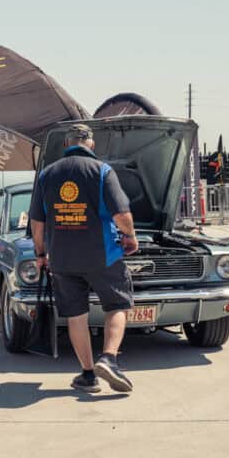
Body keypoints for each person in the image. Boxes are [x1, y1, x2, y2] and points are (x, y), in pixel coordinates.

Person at [29, 123, 138, 394]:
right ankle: (109, 359)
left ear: (66, 145)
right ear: (91, 144)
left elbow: (37, 222)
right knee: (117, 305)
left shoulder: (46, 174)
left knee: (76, 316)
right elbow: (121, 214)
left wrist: (41, 254)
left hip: (63, 259)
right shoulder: (102, 170)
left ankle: (88, 376)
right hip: (103, 256)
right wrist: (130, 237)